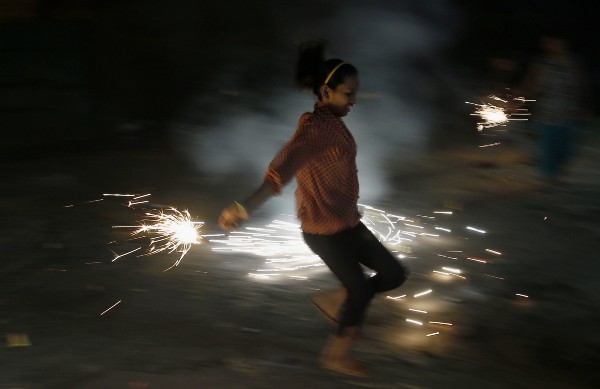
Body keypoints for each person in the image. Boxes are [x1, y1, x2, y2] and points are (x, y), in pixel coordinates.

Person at [218, 41, 407, 377]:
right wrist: (241, 208)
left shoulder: (332, 122)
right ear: (326, 91)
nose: (354, 100)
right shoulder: (314, 130)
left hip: (348, 223)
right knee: (361, 290)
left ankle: (336, 301)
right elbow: (280, 173)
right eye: (349, 94)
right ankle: (336, 354)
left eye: (355, 93)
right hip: (323, 231)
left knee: (394, 274)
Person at [520, 33, 587, 190]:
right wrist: (520, 100)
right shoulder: (541, 65)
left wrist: (583, 107)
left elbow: (582, 86)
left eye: (554, 43)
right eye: (548, 43)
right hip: (546, 114)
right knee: (548, 149)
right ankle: (549, 179)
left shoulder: (573, 64)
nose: (551, 47)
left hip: (568, 114)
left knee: (566, 150)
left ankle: (556, 175)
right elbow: (530, 86)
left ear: (563, 44)